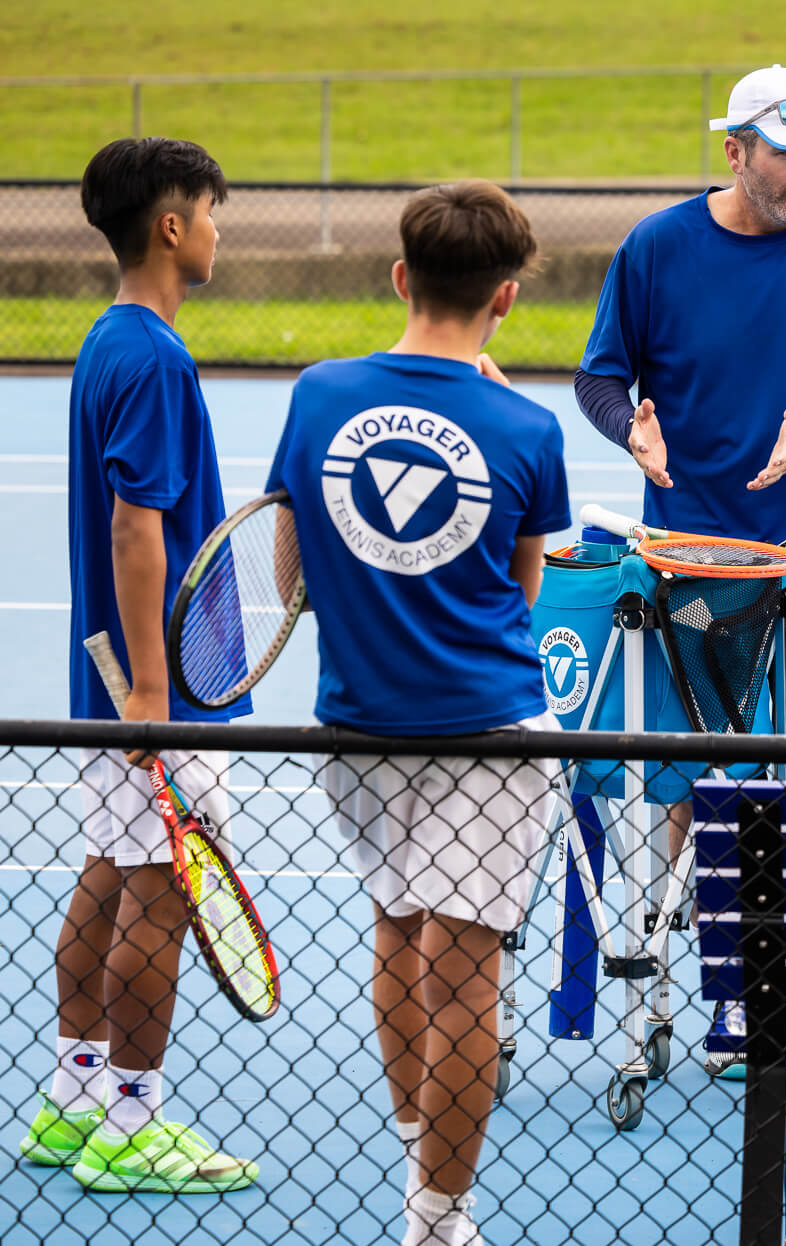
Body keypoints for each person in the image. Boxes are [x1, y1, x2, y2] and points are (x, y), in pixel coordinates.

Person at [573, 64, 786, 1100]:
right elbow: (599, 377)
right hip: (697, 571)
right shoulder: (656, 249)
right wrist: (627, 428)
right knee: (714, 797)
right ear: (734, 151)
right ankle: (742, 1008)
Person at [265, 180, 570, 1246]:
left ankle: (420, 1178)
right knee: (467, 974)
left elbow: (291, 574)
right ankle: (440, 1219)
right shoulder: (527, 427)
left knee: (397, 933)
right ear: (506, 297)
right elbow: (522, 592)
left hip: (357, 725)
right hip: (490, 737)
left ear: (401, 278)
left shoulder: (318, 394)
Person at [23, 136, 259, 1195]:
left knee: (110, 872)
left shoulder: (109, 339)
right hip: (159, 685)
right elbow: (135, 529)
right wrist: (156, 698)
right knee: (162, 890)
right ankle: (131, 1119)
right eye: (210, 213)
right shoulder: (155, 358)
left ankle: (73, 1099)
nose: (216, 232)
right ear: (171, 227)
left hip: (111, 677)